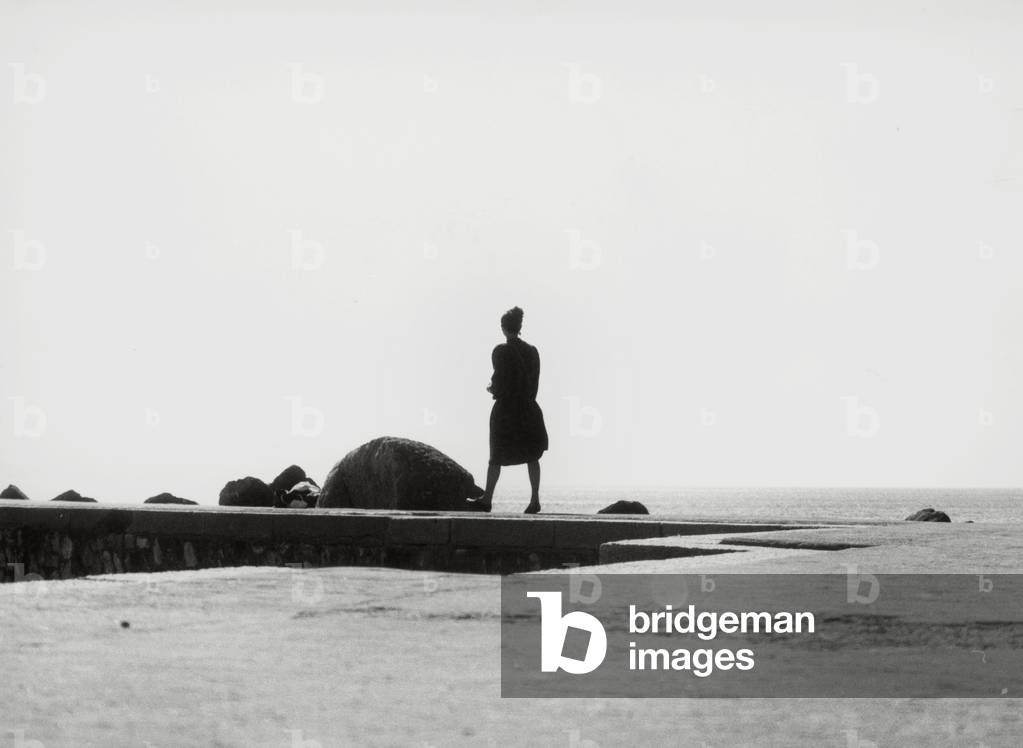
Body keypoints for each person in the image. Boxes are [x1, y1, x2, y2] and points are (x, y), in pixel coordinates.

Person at [469, 306, 549, 513]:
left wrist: (492, 388)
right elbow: (534, 382)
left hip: (506, 410)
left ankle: (487, 499)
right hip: (529, 409)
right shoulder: (533, 352)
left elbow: (499, 382)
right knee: (532, 456)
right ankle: (534, 500)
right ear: (519, 326)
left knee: (496, 456)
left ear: (503, 328)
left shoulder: (501, 351)